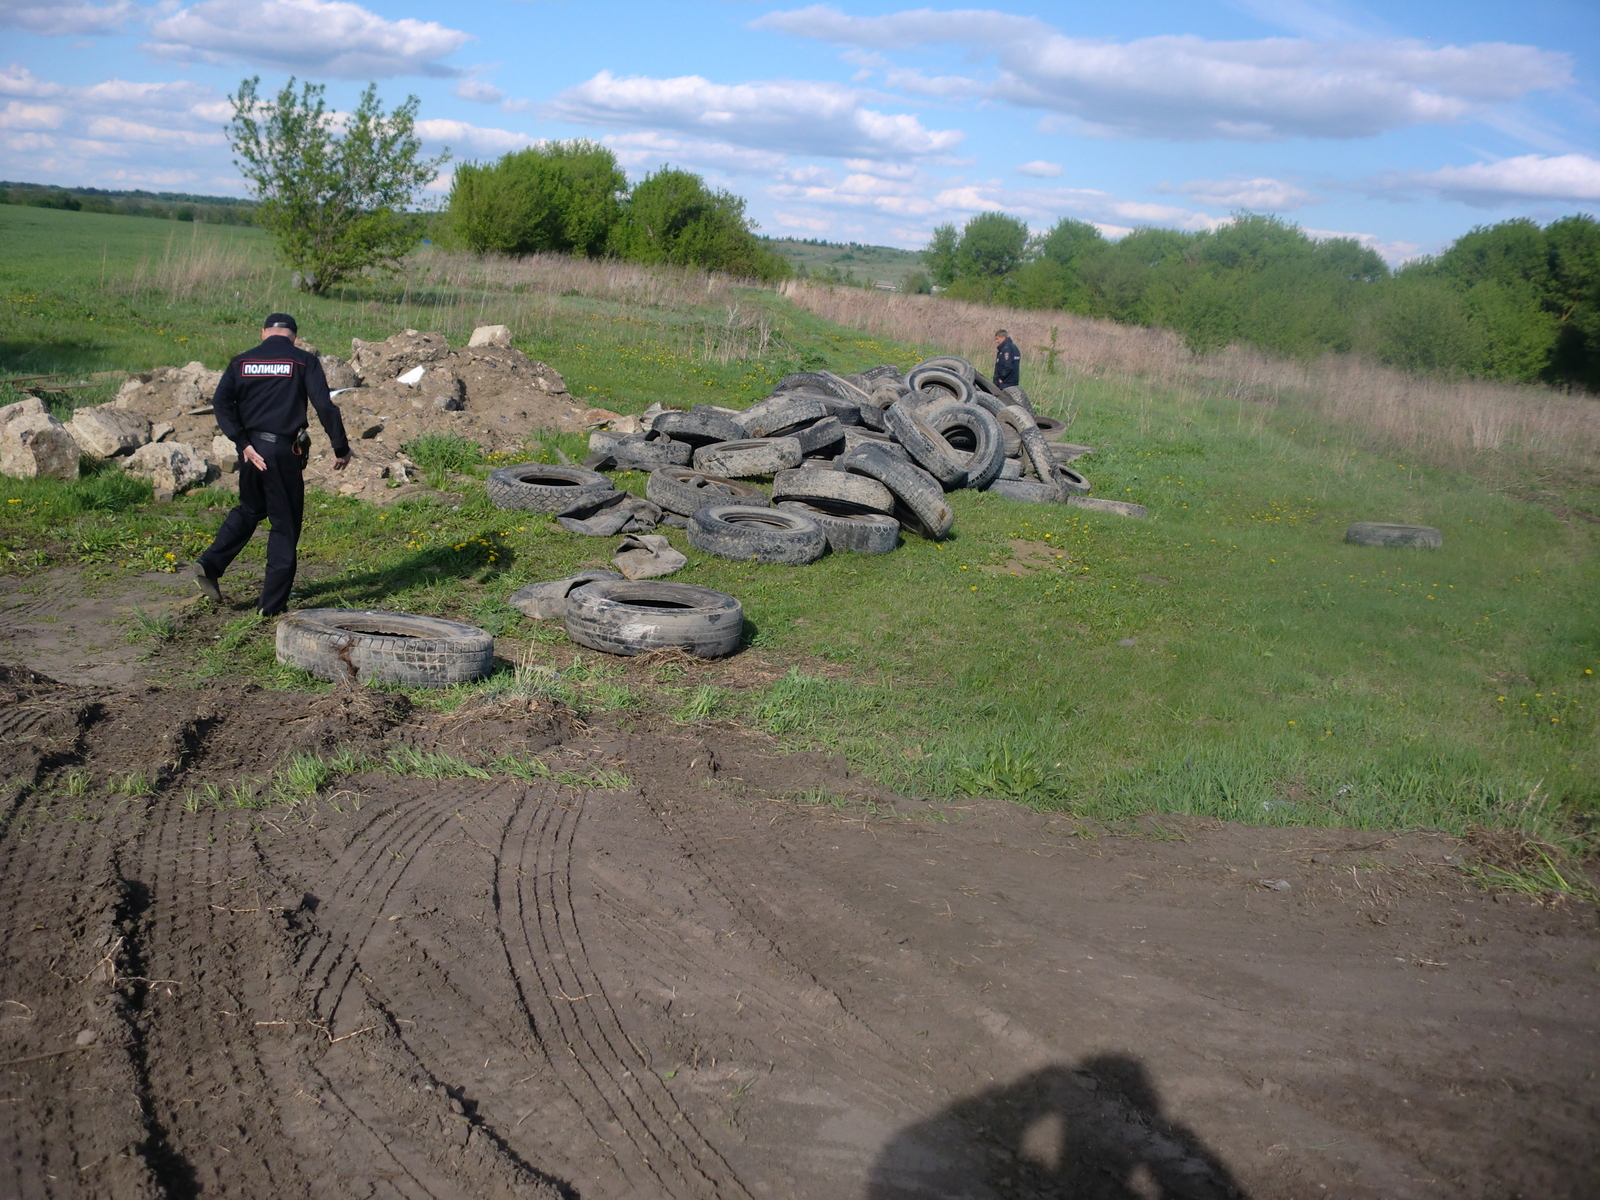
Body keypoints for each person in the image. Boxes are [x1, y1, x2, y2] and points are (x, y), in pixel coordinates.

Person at [193, 313, 351, 615]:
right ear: (294, 336)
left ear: (264, 332)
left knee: (250, 508)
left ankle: (210, 563)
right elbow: (324, 405)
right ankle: (271, 606)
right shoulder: (303, 360)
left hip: (251, 450)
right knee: (285, 525)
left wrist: (243, 444)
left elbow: (221, 403)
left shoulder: (241, 362)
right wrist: (340, 447)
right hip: (282, 452)